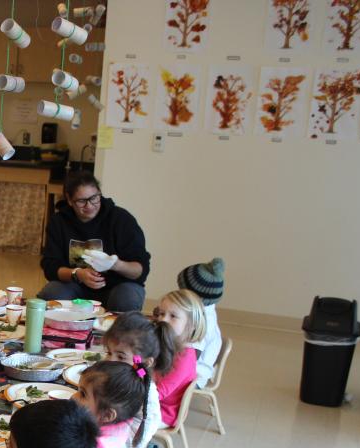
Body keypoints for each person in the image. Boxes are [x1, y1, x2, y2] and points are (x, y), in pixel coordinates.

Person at [37, 171, 150, 313]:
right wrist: (77, 273)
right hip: (76, 286)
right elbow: (50, 267)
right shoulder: (59, 222)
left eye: (94, 198)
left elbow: (140, 270)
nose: (89, 206)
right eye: (81, 201)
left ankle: (118, 334)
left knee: (126, 298)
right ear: (70, 200)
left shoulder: (121, 220)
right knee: (52, 292)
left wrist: (116, 265)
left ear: (100, 193)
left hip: (118, 286)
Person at [103, 311, 176, 448]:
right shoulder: (122, 371)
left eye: (121, 356)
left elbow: (143, 433)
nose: (111, 360)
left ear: (146, 362)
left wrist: (115, 442)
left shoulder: (145, 390)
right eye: (109, 352)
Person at [153, 289, 207, 427]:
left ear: (191, 324)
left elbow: (158, 394)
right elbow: (146, 371)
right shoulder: (167, 344)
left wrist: (129, 393)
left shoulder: (184, 358)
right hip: (152, 401)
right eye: (161, 314)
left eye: (173, 316)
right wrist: (137, 367)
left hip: (161, 412)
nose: (163, 320)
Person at [177, 257, 225, 388]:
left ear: (194, 296)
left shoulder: (200, 322)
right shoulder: (204, 310)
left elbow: (190, 358)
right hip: (189, 368)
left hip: (194, 376)